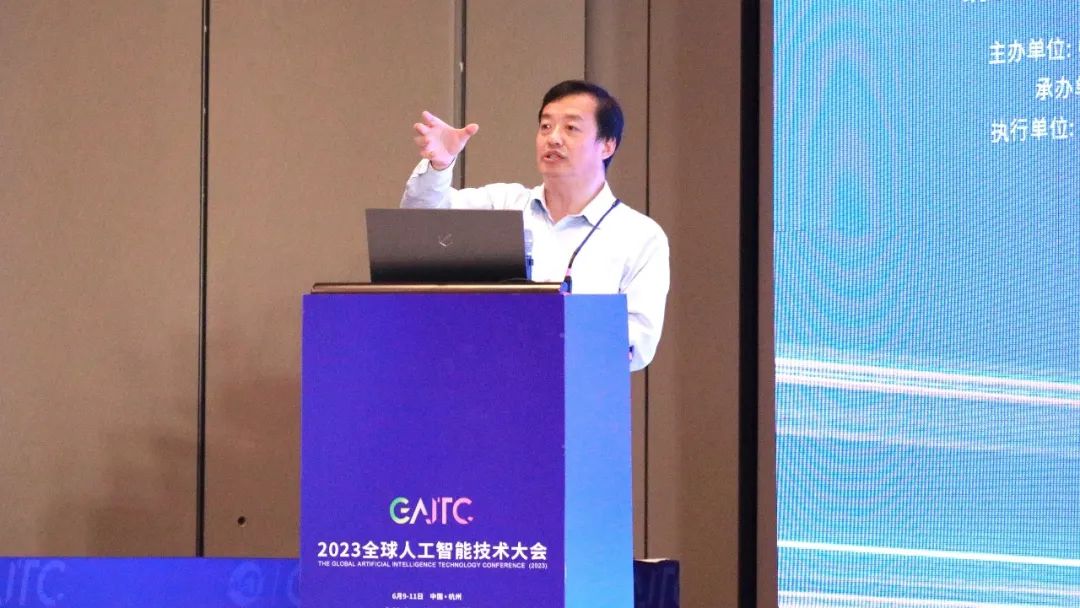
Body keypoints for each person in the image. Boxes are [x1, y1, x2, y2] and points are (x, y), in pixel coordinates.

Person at [401, 80, 669, 371]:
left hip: (578, 386)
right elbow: (419, 225)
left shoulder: (639, 235)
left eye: (571, 128)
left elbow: (637, 341)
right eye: (545, 126)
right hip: (484, 378)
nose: (553, 138)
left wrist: (551, 333)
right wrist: (439, 166)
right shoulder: (503, 204)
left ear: (607, 145)